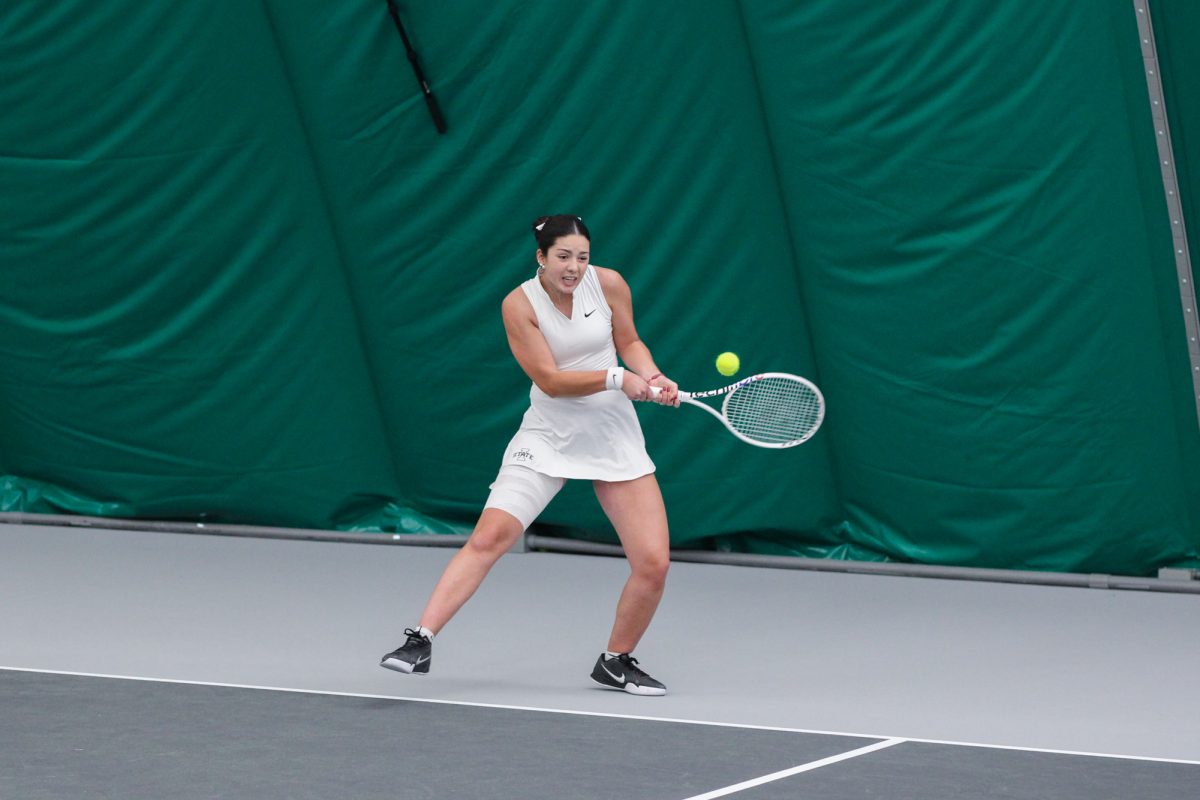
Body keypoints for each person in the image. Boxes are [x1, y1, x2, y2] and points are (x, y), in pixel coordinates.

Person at [380, 214, 680, 696]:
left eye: (582, 257)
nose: (574, 267)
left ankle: (616, 660)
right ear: (541, 257)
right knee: (490, 536)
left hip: (611, 434)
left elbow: (629, 342)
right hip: (547, 435)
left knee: (654, 563)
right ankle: (420, 640)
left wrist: (653, 375)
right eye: (563, 257)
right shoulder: (519, 305)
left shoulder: (609, 284)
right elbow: (551, 380)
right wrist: (619, 379)